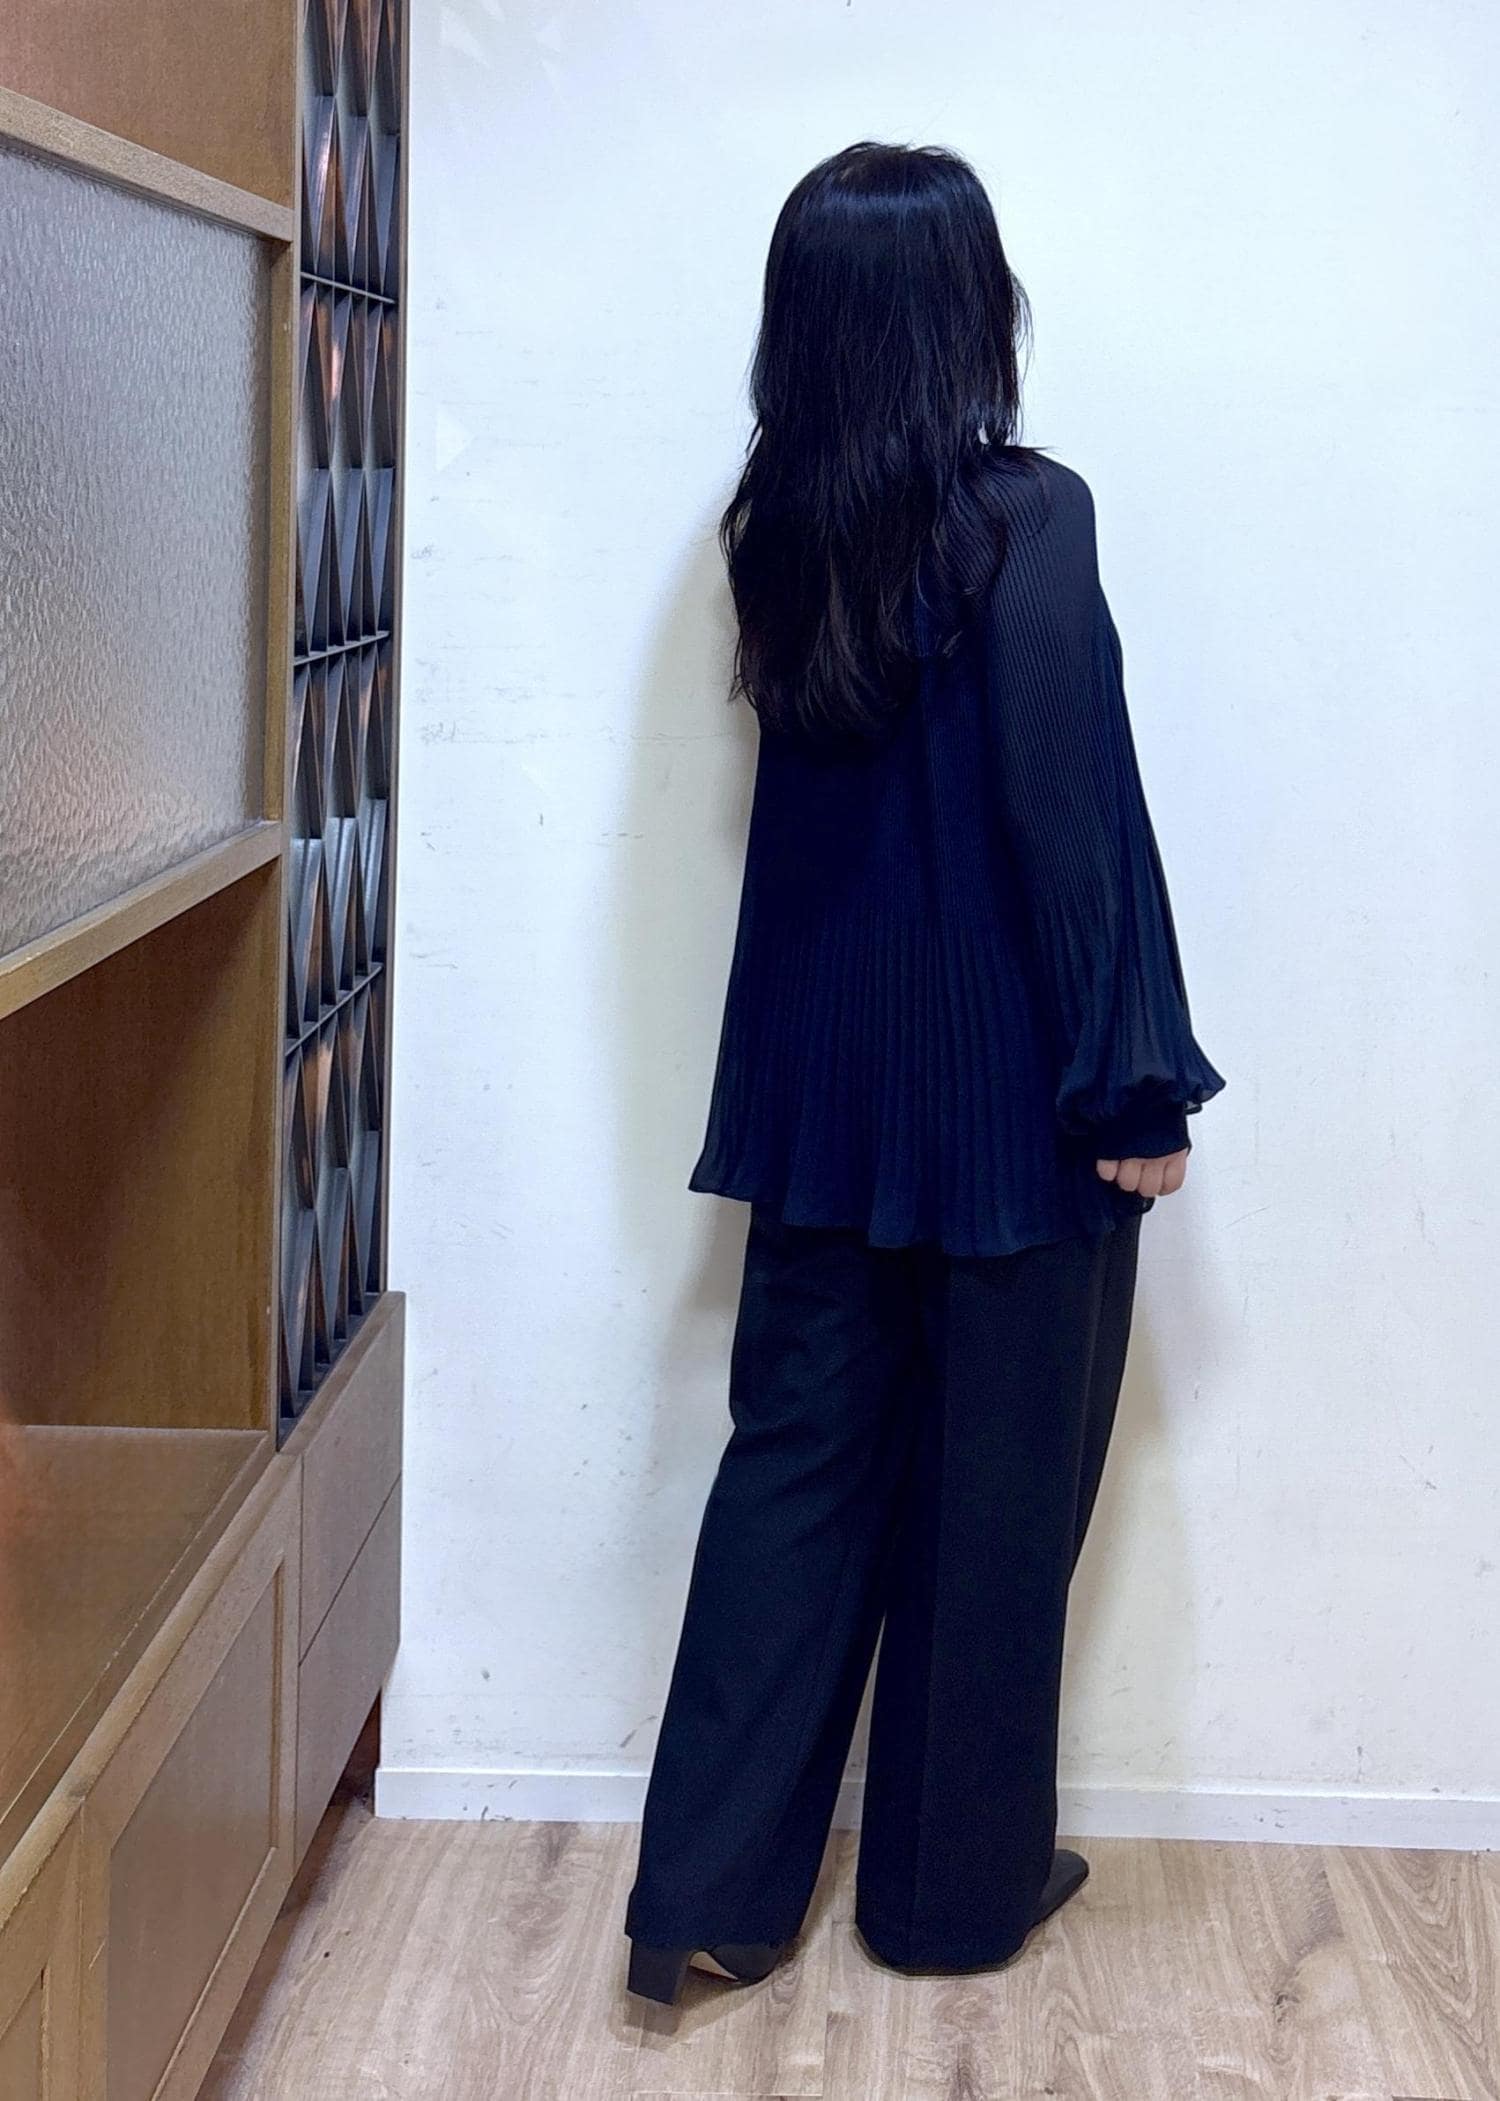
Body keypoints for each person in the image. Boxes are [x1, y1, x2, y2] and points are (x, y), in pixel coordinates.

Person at [623, 140, 1224, 2008]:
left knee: (793, 1475)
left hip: (824, 1108)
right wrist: (1133, 1083)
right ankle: (951, 1896)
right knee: (995, 1501)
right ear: (970, 313)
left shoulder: (774, 533)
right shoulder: (1030, 518)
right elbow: (1071, 808)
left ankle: (705, 1894)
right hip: (1013, 1112)